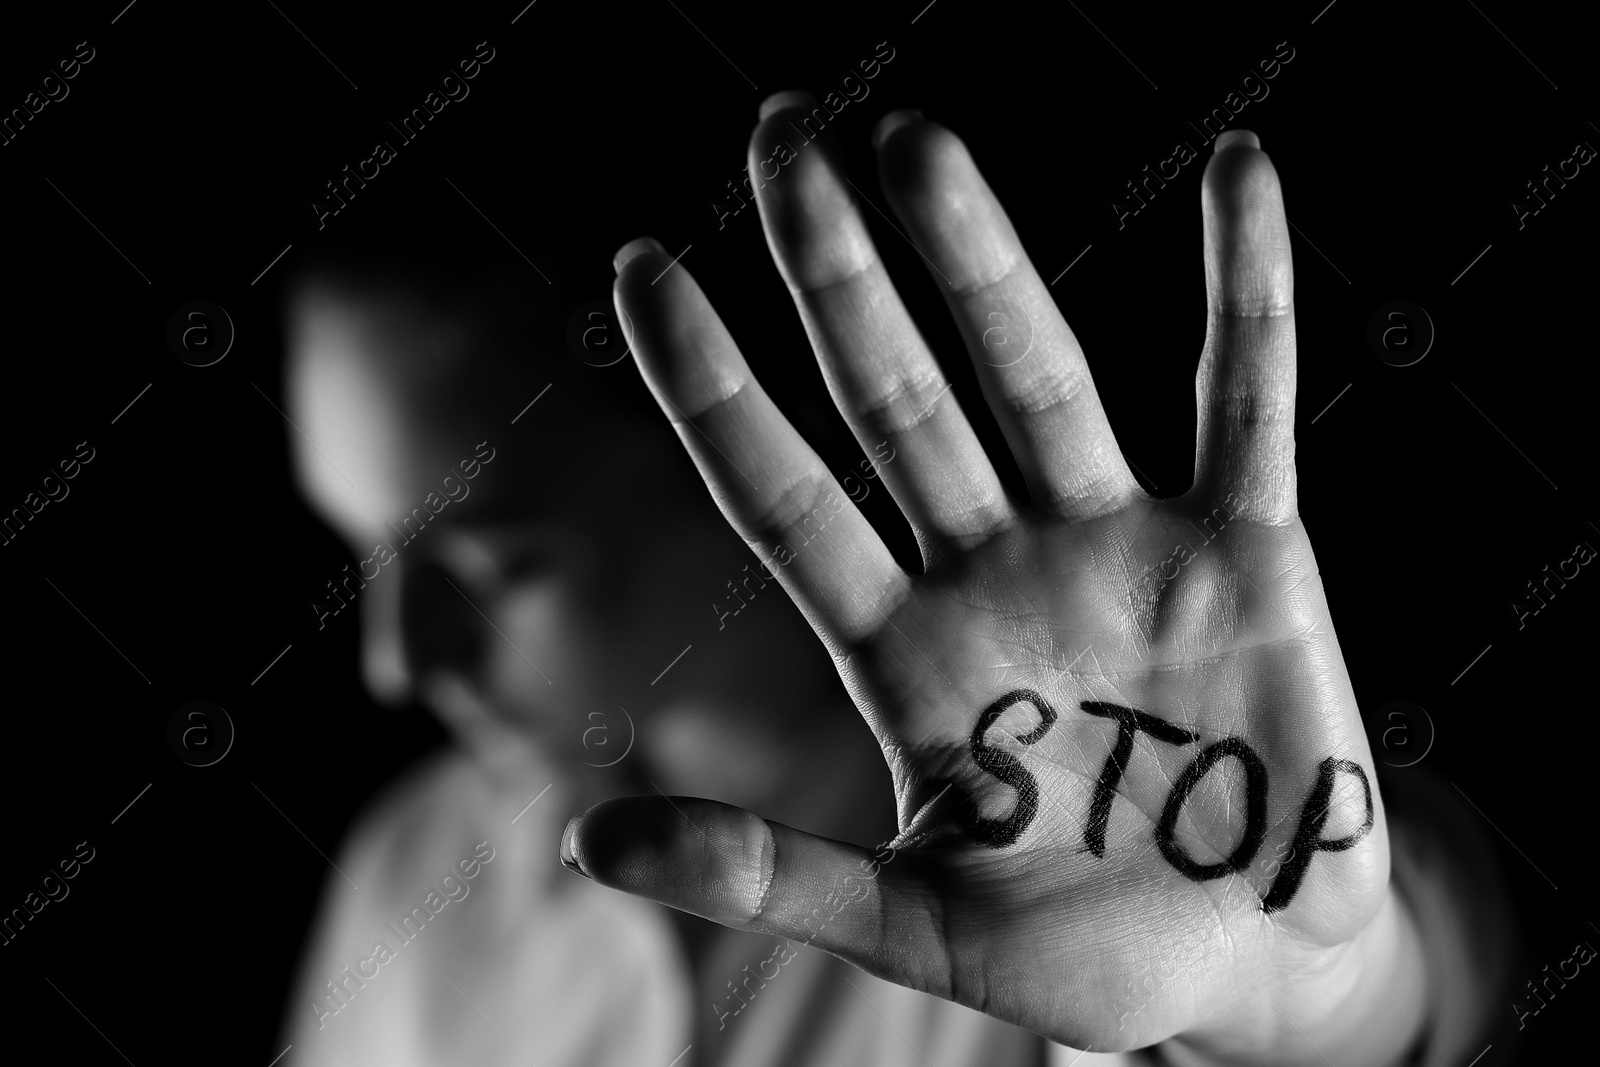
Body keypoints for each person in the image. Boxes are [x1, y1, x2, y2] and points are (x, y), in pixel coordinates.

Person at [277, 93, 1516, 1066]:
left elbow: (1382, 1000)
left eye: (494, 562)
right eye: (358, 547)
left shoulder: (1080, 826)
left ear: (742, 461)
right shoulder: (413, 867)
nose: (392, 659)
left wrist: (1303, 1003)